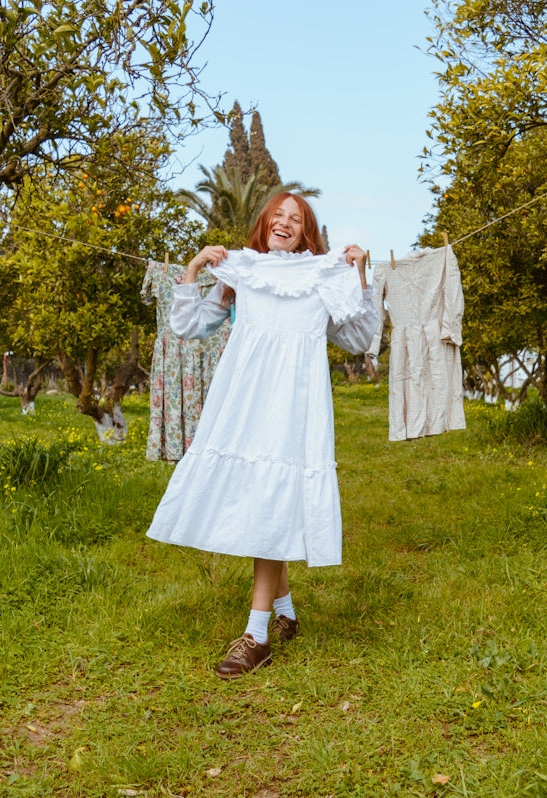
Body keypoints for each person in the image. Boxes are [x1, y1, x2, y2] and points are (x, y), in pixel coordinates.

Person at [146, 192, 379, 678]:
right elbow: (187, 326)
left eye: (297, 219)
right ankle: (286, 612)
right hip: (245, 398)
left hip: (295, 401)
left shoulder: (321, 275)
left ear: (307, 233)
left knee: (272, 500)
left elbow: (359, 341)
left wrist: (358, 276)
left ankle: (256, 636)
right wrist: (192, 269)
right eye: (279, 214)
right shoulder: (242, 270)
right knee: (263, 499)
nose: (286, 222)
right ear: (264, 222)